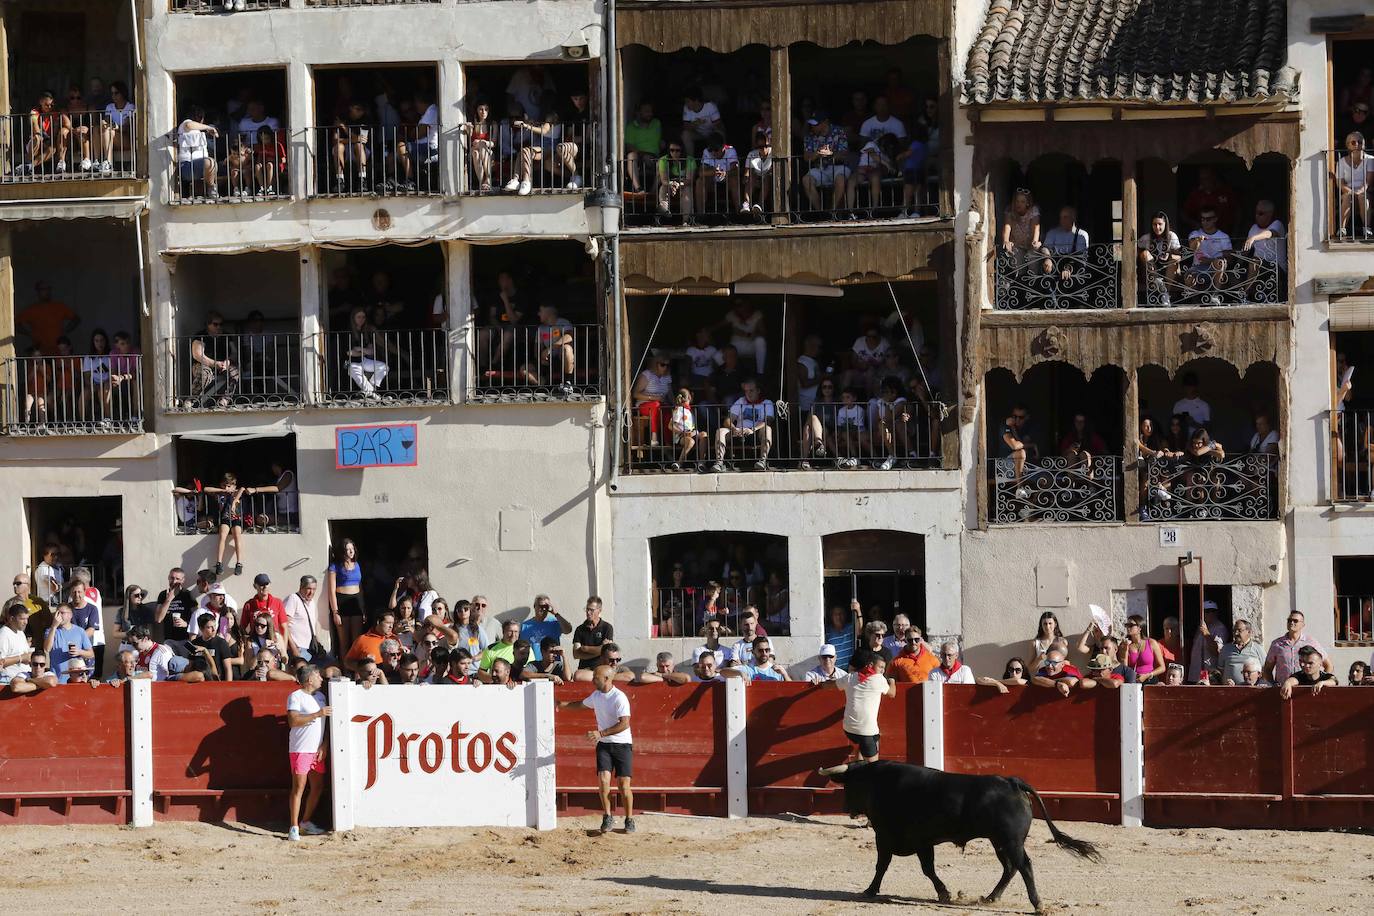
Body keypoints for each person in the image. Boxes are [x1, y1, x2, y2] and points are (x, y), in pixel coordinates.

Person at [558, 665, 636, 833]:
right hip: (604, 745)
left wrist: (601, 733)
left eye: (596, 678)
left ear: (607, 679)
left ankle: (629, 818)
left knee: (623, 785)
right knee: (603, 781)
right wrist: (562, 705)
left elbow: (625, 723)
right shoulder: (597, 695)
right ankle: (607, 816)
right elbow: (581, 705)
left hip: (622, 744)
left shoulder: (619, 697)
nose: (593, 680)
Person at [815, 654, 895, 763]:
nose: (882, 671)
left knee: (865, 746)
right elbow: (892, 693)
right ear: (871, 665)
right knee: (875, 768)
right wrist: (892, 681)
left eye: (883, 668)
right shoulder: (879, 679)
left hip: (848, 729)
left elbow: (828, 685)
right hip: (866, 731)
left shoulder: (850, 677)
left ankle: (858, 768)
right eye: (880, 667)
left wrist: (818, 682)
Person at [285, 666, 331, 840]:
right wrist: (317, 714)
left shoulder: (321, 696)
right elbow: (293, 721)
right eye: (318, 675)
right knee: (299, 788)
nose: (321, 678)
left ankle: (305, 822)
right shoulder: (296, 696)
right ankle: (294, 826)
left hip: (316, 750)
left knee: (317, 787)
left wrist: (324, 745)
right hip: (301, 749)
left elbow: (326, 727)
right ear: (309, 680)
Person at [712, 378, 775, 472]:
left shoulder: (767, 403)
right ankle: (719, 462)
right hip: (738, 432)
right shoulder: (741, 401)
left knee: (768, 429)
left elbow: (768, 420)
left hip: (756, 433)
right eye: (746, 391)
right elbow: (728, 419)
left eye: (751, 390)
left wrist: (753, 429)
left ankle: (762, 461)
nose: (748, 394)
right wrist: (733, 429)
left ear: (758, 391)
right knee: (721, 431)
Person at [1264, 610, 1332, 684]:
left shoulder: (1311, 642)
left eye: (1295, 621)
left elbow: (1328, 665)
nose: (1292, 623)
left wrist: (1321, 683)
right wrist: (1272, 684)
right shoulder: (1277, 644)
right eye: (1289, 620)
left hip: (1305, 689)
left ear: (1303, 625)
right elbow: (1267, 669)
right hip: (1283, 689)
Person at [801, 113, 850, 214]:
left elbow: (844, 154)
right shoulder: (809, 136)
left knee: (840, 179)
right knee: (806, 180)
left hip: (838, 167)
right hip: (819, 168)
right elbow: (806, 157)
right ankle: (821, 213)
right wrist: (818, 153)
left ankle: (833, 212)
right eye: (812, 124)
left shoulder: (839, 131)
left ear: (825, 122)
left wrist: (830, 154)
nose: (813, 127)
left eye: (816, 124)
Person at [327, 539, 365, 659]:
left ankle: (357, 672)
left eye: (352, 549)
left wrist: (363, 609)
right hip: (342, 602)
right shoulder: (335, 567)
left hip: (356, 602)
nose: (350, 552)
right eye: (347, 549)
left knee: (356, 640)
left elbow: (361, 587)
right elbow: (331, 591)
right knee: (344, 642)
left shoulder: (357, 564)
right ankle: (345, 671)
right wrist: (335, 612)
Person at [1184, 208, 1233, 301]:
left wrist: (1210, 261)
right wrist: (1198, 241)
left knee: (1220, 262)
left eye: (1208, 219)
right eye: (1202, 219)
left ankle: (1215, 296)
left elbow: (1230, 259)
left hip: (1216, 271)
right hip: (1197, 268)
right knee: (1189, 277)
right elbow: (1192, 248)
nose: (1205, 222)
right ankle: (1194, 302)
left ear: (1215, 219)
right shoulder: (1195, 234)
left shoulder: (1223, 236)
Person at [1138, 211, 1184, 305]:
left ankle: (1165, 293)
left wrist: (1169, 254)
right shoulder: (1146, 238)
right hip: (1151, 271)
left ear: (1165, 224)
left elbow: (1179, 256)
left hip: (1169, 271)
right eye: (1154, 224)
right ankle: (1159, 284)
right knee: (1145, 253)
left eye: (1160, 224)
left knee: (1174, 259)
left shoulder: (1172, 236)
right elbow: (1136, 251)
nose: (1157, 227)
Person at [1333, 131, 1373, 239]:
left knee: (1362, 197)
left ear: (1363, 144)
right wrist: (1350, 191)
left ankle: (1367, 229)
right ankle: (1342, 229)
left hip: (1365, 191)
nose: (1357, 145)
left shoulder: (1370, 160)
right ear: (1348, 145)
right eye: (1353, 142)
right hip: (1348, 191)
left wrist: (1359, 191)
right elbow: (1340, 183)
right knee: (1346, 197)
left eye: (1360, 142)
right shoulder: (1341, 161)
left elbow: (1368, 182)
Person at [176, 105, 219, 199]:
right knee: (210, 162)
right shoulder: (185, 124)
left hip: (197, 166)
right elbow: (189, 125)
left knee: (213, 164)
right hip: (186, 165)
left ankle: (206, 191)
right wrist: (208, 127)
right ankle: (211, 188)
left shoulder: (198, 131)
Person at [632, 356, 674, 447]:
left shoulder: (667, 377)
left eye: (667, 365)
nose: (665, 367)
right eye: (662, 364)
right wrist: (654, 398)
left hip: (661, 405)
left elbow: (670, 395)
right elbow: (635, 394)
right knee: (656, 405)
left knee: (668, 412)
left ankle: (668, 442)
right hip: (644, 405)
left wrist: (675, 405)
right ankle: (654, 437)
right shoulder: (647, 375)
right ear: (656, 364)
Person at [623, 100, 662, 194]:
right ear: (638, 112)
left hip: (654, 158)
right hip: (639, 157)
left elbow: (661, 142)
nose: (650, 114)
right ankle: (639, 189)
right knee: (631, 155)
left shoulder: (656, 123)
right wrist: (643, 155)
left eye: (651, 111)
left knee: (663, 162)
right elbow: (629, 147)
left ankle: (653, 192)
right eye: (646, 111)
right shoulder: (631, 127)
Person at [519, 596, 572, 662]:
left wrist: (556, 614)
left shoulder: (554, 623)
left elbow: (568, 630)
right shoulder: (524, 626)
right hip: (532, 665)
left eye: (546, 607)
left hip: (553, 664)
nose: (543, 609)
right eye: (541, 606)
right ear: (535, 606)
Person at [572, 597, 613, 673]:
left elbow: (607, 651)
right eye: (587, 609)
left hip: (602, 669)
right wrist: (600, 650)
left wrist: (585, 648)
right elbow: (576, 654)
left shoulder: (607, 627)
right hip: (584, 669)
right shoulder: (580, 629)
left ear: (599, 610)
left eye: (591, 610)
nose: (588, 612)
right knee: (577, 675)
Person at [655, 142, 696, 219]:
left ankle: (685, 221)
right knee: (663, 188)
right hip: (669, 184)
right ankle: (664, 208)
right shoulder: (664, 160)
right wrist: (671, 184)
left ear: (682, 151)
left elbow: (689, 180)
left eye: (677, 150)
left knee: (687, 191)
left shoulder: (689, 160)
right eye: (672, 150)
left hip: (684, 184)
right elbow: (664, 180)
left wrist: (678, 185)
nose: (674, 153)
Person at [1000, 188, 1041, 264]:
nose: (1019, 204)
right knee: (1017, 266)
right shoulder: (1010, 212)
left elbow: (1035, 229)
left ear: (1027, 203)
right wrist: (1006, 241)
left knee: (1033, 261)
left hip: (1030, 244)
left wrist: (1034, 242)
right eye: (1017, 201)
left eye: (1022, 202)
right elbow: (1007, 227)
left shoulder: (1033, 211)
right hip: (1017, 244)